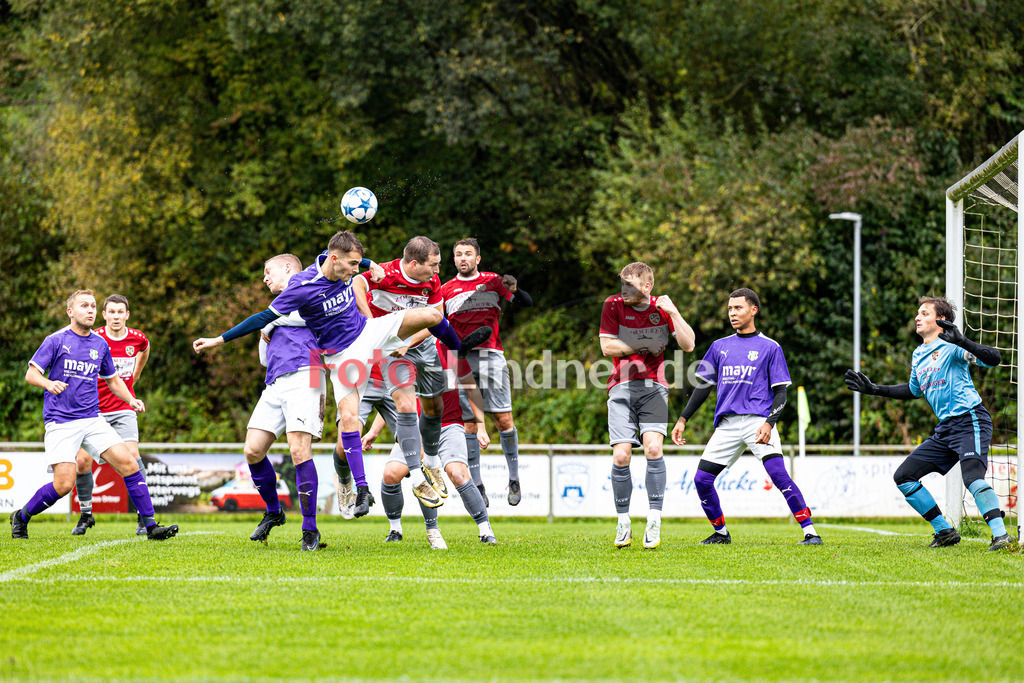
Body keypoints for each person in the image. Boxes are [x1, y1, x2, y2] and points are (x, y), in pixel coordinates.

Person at [193, 231, 491, 522]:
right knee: (349, 418)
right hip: (341, 356)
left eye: (355, 264)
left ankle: (459, 347)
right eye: (350, 265)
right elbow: (261, 318)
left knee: (433, 316)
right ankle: (356, 486)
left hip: (368, 331)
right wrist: (219, 339)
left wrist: (368, 263)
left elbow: (358, 264)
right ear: (335, 260)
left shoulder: (337, 260)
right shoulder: (301, 287)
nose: (353, 271)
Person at [844, 296, 1012, 550]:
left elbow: (994, 358)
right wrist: (874, 389)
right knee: (904, 476)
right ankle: (944, 532)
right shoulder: (919, 353)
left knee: (973, 478)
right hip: (945, 430)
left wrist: (963, 341)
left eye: (924, 313)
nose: (917, 317)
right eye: (918, 313)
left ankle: (1001, 536)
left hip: (970, 419)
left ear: (940, 320)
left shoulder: (953, 346)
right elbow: (913, 390)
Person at [10, 290, 178, 541]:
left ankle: (150, 526)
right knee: (63, 485)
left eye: (92, 306)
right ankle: (21, 516)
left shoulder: (100, 344)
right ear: (70, 312)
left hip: (92, 418)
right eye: (84, 306)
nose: (89, 310)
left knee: (130, 463)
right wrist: (48, 384)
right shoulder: (55, 340)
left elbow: (113, 380)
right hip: (61, 421)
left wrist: (131, 399)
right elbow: (31, 374)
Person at [670, 288, 821, 546]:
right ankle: (721, 533)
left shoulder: (770, 347)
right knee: (702, 480)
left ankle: (810, 532)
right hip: (727, 425)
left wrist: (768, 423)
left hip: (757, 421)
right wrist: (683, 419)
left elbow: (781, 392)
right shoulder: (719, 347)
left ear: (753, 310)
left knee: (778, 474)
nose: (732, 313)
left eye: (738, 308)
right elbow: (704, 387)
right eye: (730, 309)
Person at [351, 236, 456, 510]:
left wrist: (409, 341)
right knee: (406, 405)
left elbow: (436, 318)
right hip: (392, 352)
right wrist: (372, 325)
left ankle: (432, 462)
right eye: (433, 265)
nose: (437, 271)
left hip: (423, 347)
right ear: (413, 263)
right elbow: (356, 284)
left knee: (433, 408)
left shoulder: (432, 283)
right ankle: (419, 477)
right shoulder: (386, 273)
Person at [362, 340, 498, 547]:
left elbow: (472, 390)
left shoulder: (450, 351)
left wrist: (481, 427)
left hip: (449, 426)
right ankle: (395, 530)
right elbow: (399, 401)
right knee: (390, 474)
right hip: (414, 429)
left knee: (458, 474)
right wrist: (373, 431)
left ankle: (485, 530)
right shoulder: (404, 353)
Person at [600, 262, 695, 549]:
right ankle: (623, 521)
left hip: (654, 387)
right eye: (622, 284)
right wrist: (641, 344)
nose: (624, 290)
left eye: (631, 284)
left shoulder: (661, 309)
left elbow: (688, 344)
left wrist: (674, 312)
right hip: (620, 387)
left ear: (647, 286)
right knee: (621, 456)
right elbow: (607, 347)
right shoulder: (612, 305)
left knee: (654, 448)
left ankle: (654, 519)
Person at [242, 253, 329, 551]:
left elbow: (310, 316)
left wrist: (268, 322)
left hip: (307, 373)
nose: (264, 278)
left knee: (298, 449)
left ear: (290, 268)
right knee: (252, 450)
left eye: (269, 271)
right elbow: (263, 360)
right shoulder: (275, 311)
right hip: (276, 381)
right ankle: (274, 511)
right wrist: (267, 330)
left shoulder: (309, 291)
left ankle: (310, 530)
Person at [439, 237, 533, 506]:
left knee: (503, 420)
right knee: (468, 425)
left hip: (492, 357)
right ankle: (478, 485)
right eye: (458, 254)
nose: (463, 258)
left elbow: (525, 302)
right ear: (454, 259)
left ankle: (514, 478)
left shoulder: (493, 281)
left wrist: (516, 289)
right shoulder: (446, 290)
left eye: (468, 254)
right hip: (461, 361)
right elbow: (438, 328)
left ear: (477, 258)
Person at [71, 294, 153, 536]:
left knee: (133, 454)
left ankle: (143, 515)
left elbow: (145, 350)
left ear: (127, 315)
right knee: (82, 461)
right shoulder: (94, 338)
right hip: (94, 410)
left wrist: (135, 376)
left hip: (123, 407)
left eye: (121, 312)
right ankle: (86, 515)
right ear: (104, 315)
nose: (116, 316)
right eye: (111, 312)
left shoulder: (137, 338)